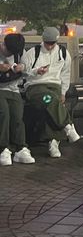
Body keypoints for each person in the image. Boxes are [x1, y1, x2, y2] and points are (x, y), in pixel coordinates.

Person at [22, 27, 80, 159]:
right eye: (47, 43)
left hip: (54, 87)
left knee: (51, 104)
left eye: (52, 43)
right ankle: (67, 126)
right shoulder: (33, 52)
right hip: (36, 87)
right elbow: (24, 71)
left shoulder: (63, 54)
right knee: (50, 100)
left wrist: (63, 92)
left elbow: (65, 75)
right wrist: (37, 71)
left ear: (56, 41)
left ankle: (53, 141)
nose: (49, 46)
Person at [0, 33, 35, 166]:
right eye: (6, 49)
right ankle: (3, 148)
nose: (6, 52)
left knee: (17, 115)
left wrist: (22, 67)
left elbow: (27, 67)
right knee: (4, 113)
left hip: (13, 89)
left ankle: (20, 148)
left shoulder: (20, 52)